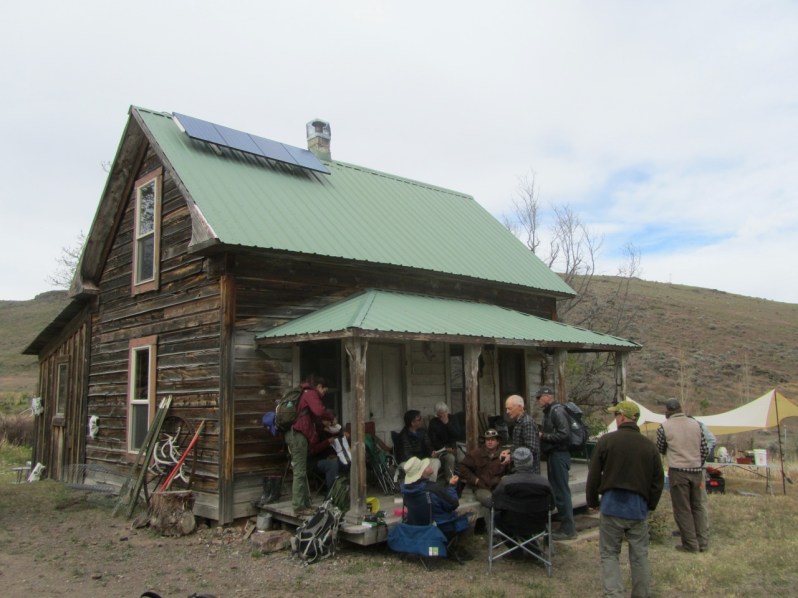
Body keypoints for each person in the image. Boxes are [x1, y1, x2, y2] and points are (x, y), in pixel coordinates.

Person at [586, 400, 665, 598]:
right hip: (638, 507)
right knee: (639, 556)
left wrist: (593, 501)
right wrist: (650, 505)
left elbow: (594, 474)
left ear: (621, 417)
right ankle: (641, 594)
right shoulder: (649, 446)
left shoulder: (606, 441)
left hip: (612, 505)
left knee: (609, 553)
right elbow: (658, 480)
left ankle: (614, 594)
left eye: (615, 415)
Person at [656, 398, 709, 553]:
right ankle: (703, 543)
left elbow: (660, 448)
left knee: (683, 509)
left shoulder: (664, 427)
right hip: (696, 470)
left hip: (678, 471)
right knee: (697, 507)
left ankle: (690, 544)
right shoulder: (696, 424)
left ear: (667, 411)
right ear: (680, 408)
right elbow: (705, 449)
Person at [400, 456, 472, 561]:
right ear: (421, 473)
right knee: (471, 514)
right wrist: (452, 487)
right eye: (426, 466)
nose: (429, 465)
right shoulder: (432, 488)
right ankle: (454, 549)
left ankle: (440, 548)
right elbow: (453, 504)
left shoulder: (406, 489)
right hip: (439, 526)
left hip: (416, 526)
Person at [284, 375, 329, 516]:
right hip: (297, 435)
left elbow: (311, 417)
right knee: (299, 471)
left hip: (297, 435)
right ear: (319, 387)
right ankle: (299, 507)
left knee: (301, 471)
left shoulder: (305, 394)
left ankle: (305, 504)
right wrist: (331, 417)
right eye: (324, 391)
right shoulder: (311, 393)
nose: (323, 395)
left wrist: (322, 425)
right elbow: (319, 411)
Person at [536, 386, 576, 540]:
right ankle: (565, 525)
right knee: (558, 490)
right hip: (555, 455)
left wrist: (543, 436)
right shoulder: (551, 411)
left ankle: (568, 529)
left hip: (559, 455)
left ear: (547, 397)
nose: (538, 401)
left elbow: (564, 434)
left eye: (539, 397)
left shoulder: (557, 411)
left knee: (561, 491)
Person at [309, 413, 349, 498]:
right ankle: (332, 493)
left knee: (347, 461)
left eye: (330, 422)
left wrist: (344, 436)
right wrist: (327, 442)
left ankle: (345, 489)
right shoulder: (316, 432)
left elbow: (339, 441)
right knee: (332, 465)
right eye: (327, 421)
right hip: (318, 460)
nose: (329, 423)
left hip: (332, 457)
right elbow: (313, 450)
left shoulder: (333, 431)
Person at [500, 394, 541, 474]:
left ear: (520, 407)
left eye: (509, 409)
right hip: (520, 470)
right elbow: (520, 445)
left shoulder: (527, 423)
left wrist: (511, 457)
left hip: (529, 472)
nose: (507, 412)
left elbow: (531, 449)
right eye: (506, 409)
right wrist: (509, 450)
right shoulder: (519, 422)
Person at [396, 409, 441, 480]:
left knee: (436, 462)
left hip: (421, 460)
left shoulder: (423, 431)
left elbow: (428, 446)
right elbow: (407, 455)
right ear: (413, 423)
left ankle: (430, 484)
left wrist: (432, 453)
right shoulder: (403, 435)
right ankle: (422, 484)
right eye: (419, 419)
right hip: (408, 462)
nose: (422, 420)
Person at [427, 402, 458, 479]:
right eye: (440, 414)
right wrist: (446, 449)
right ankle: (450, 481)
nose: (443, 415)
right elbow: (433, 440)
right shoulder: (433, 422)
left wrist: (447, 424)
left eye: (445, 412)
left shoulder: (453, 418)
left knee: (464, 457)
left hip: (454, 446)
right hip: (441, 450)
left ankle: (465, 481)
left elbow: (457, 434)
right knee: (450, 458)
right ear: (437, 414)